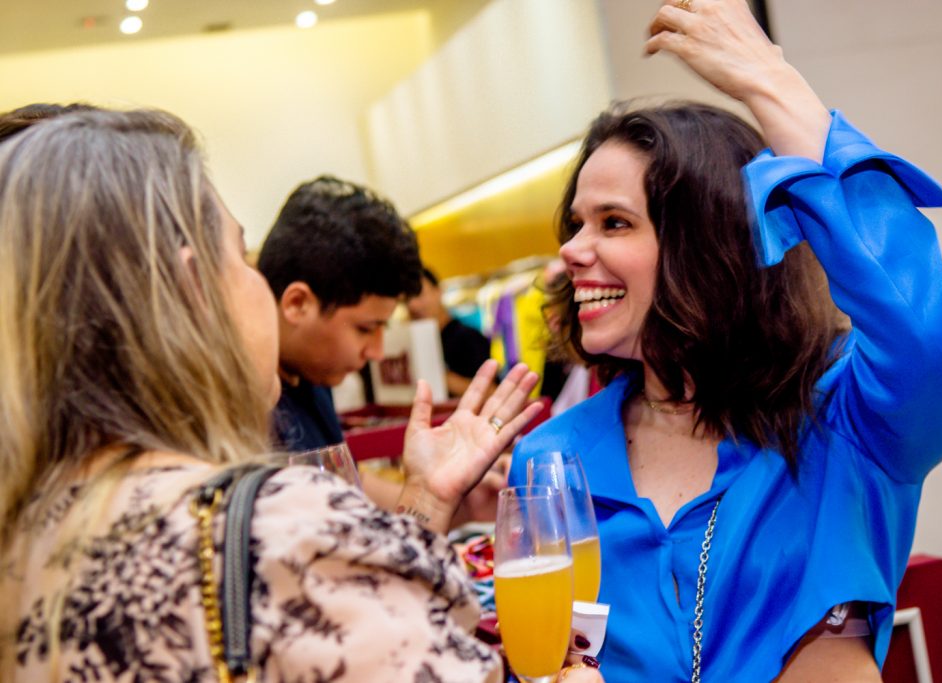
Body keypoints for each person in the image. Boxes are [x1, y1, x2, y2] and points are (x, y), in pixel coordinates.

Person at [0, 108, 603, 683]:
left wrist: (427, 494)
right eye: (240, 256)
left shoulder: (31, 532)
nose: (257, 281)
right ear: (193, 287)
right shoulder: (275, 528)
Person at [510, 1, 942, 681]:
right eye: (576, 223)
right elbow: (538, 655)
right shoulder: (553, 460)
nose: (572, 249)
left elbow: (933, 343)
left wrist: (772, 84)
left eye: (614, 222)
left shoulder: (841, 418)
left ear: (709, 244)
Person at [257, 175, 423, 452]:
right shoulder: (241, 412)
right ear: (297, 304)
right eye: (365, 329)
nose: (377, 352)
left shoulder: (314, 374)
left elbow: (338, 472)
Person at [407, 266, 493, 397]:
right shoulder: (417, 342)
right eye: (406, 299)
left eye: (419, 295)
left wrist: (439, 376)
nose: (413, 305)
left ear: (438, 291)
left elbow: (493, 392)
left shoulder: (468, 338)